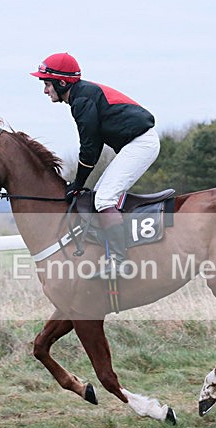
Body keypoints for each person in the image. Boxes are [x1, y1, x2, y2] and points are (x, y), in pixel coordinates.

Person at [31, 52, 160, 277]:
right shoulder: (81, 95)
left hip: (140, 144)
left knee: (103, 199)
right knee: (100, 196)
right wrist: (80, 182)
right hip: (136, 143)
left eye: (47, 84)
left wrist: (78, 183)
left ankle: (121, 263)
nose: (45, 90)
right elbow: (93, 147)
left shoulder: (81, 100)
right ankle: (113, 253)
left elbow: (90, 147)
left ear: (62, 83)